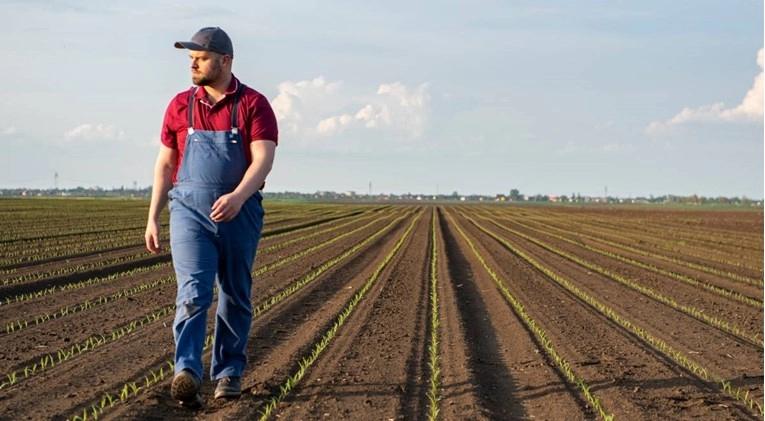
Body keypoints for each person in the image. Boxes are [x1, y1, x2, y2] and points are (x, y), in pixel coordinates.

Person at [144, 26, 278, 408]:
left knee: (235, 294)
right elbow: (166, 163)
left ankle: (229, 372)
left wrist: (238, 196)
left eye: (200, 58)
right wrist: (153, 216)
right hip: (189, 212)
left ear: (224, 60)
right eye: (191, 59)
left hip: (240, 212)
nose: (194, 65)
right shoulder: (179, 106)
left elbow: (264, 159)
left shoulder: (253, 103)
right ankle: (186, 371)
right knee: (193, 292)